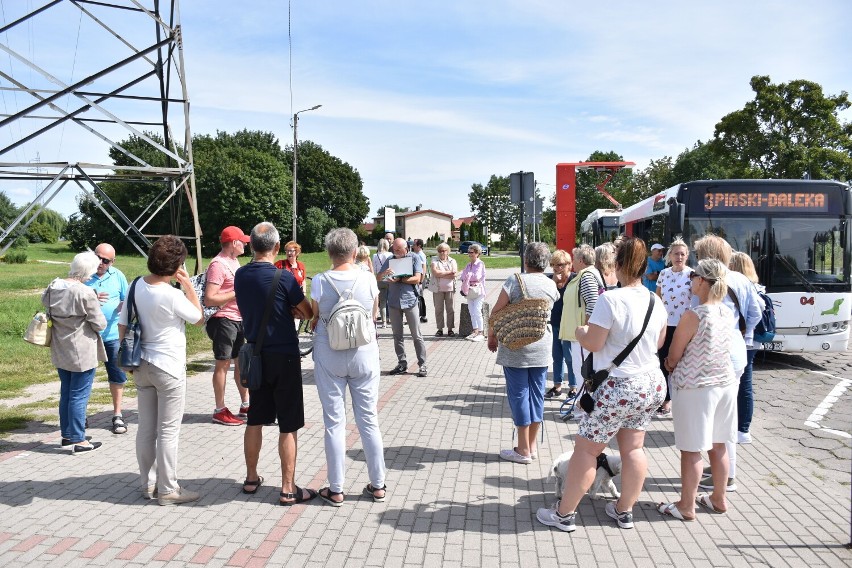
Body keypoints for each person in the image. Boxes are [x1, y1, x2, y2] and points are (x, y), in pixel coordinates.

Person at [538, 237, 667, 532]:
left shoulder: (611, 300)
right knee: (634, 448)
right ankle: (624, 510)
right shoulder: (654, 300)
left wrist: (581, 331)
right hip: (650, 384)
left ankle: (564, 514)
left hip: (618, 387)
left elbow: (594, 343)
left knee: (587, 451)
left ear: (617, 266)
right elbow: (657, 343)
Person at [235, 222, 318, 505]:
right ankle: (287, 488)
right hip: (284, 354)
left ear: (251, 246)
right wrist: (293, 308)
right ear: (277, 247)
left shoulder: (240, 275)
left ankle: (250, 477)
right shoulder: (284, 278)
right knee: (288, 424)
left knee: (255, 418)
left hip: (255, 356)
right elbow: (305, 311)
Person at [119, 235, 204, 505]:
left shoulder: (135, 285)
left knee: (146, 428)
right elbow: (199, 318)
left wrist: (126, 358)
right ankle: (168, 489)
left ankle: (147, 484)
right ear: (177, 265)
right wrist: (189, 286)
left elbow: (122, 323)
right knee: (168, 430)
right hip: (168, 366)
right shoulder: (172, 294)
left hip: (140, 363)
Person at [310, 228, 387, 506]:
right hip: (364, 353)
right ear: (355, 252)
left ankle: (336, 487)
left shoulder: (320, 280)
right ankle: (378, 484)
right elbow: (374, 313)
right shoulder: (368, 279)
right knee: (368, 420)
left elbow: (316, 315)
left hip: (329, 352)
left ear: (329, 253)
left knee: (334, 422)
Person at [659, 258, 737, 520]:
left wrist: (669, 364)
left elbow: (675, 352)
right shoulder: (728, 312)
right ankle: (718, 497)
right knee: (719, 445)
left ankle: (686, 505)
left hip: (695, 387)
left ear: (702, 281)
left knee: (691, 448)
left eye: (694, 277)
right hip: (724, 384)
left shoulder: (694, 315)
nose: (691, 280)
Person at [692, 234, 760, 494]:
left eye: (698, 255)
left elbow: (694, 316)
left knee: (714, 419)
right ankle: (724, 469)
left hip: (713, 354)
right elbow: (755, 313)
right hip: (736, 351)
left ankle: (727, 474)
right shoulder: (742, 279)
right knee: (725, 416)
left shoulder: (705, 280)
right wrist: (743, 335)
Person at [487, 242, 559, 464]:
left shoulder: (514, 281)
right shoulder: (550, 284)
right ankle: (533, 446)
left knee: (519, 395)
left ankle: (522, 450)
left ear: (526, 260)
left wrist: (492, 336)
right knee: (537, 395)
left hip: (515, 345)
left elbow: (497, 312)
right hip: (542, 345)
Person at [44, 251, 107, 454]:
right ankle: (79, 440)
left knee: (66, 393)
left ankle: (67, 435)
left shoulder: (53, 286)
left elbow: (46, 305)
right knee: (79, 396)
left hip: (60, 347)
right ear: (88, 270)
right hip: (81, 350)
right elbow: (100, 324)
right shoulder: (85, 292)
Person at [206, 226, 251, 426]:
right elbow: (210, 298)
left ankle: (246, 404)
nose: (245, 244)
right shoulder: (218, 264)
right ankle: (219, 409)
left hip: (237, 319)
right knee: (223, 364)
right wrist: (239, 292)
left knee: (241, 363)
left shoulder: (234, 261)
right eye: (242, 241)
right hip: (223, 320)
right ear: (233, 243)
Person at [85, 242, 130, 434]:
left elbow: (126, 298)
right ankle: (81, 416)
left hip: (111, 335)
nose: (100, 263)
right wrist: (92, 296)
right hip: (87, 336)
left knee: (117, 376)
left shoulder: (118, 275)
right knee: (84, 376)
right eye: (98, 258)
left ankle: (117, 415)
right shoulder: (84, 274)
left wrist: (122, 305)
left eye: (105, 260)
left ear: (112, 261)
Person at [654, 238, 694, 418]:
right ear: (669, 255)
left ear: (687, 256)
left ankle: (683, 401)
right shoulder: (663, 274)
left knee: (682, 363)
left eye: (682, 254)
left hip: (684, 326)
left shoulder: (692, 275)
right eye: (676, 253)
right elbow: (658, 298)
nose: (679, 257)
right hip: (665, 324)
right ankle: (665, 400)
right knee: (663, 361)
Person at [558, 244, 604, 399]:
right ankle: (580, 405)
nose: (572, 262)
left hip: (582, 337)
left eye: (574, 259)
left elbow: (593, 303)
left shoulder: (586, 276)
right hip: (579, 335)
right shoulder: (584, 275)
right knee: (580, 372)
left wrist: (586, 329)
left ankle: (581, 408)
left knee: (582, 372)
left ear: (582, 260)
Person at [377, 238, 428, 377]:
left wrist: (400, 279)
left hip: (410, 301)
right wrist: (384, 274)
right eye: (394, 249)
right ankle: (402, 363)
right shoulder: (390, 259)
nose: (396, 252)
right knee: (397, 335)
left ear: (406, 248)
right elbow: (378, 277)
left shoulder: (414, 258)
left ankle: (422, 364)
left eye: (399, 249)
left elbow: (418, 279)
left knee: (416, 335)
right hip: (393, 302)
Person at [728, 251, 763, 445]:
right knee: (744, 385)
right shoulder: (755, 286)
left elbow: (756, 314)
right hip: (750, 341)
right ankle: (741, 428)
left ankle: (742, 429)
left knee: (744, 385)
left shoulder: (744, 285)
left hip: (745, 341)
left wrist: (744, 332)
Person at [544, 249, 578, 399]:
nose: (557, 268)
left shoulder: (574, 280)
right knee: (556, 356)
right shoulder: (550, 280)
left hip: (570, 324)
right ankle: (557, 386)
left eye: (561, 265)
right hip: (555, 323)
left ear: (569, 265)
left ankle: (573, 387)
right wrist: (553, 283)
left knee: (570, 357)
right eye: (554, 265)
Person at [459, 243, 487, 341]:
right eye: (468, 252)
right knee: (471, 311)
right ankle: (475, 331)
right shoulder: (468, 265)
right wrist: (468, 276)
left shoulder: (480, 264)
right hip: (469, 291)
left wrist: (468, 276)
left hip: (478, 291)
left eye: (471, 252)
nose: (469, 254)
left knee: (477, 311)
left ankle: (481, 332)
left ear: (477, 253)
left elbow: (477, 277)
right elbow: (462, 276)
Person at [431, 243, 458, 337]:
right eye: (440, 250)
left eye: (444, 250)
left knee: (450, 309)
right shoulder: (434, 260)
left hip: (450, 289)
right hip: (438, 289)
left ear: (448, 251)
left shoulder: (452, 261)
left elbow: (454, 275)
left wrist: (442, 273)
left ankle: (450, 329)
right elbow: (435, 273)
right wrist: (449, 273)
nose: (442, 252)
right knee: (439, 309)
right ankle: (440, 329)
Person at [372, 239, 393, 327]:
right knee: (391, 300)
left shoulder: (375, 255)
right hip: (389, 279)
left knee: (383, 301)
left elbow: (374, 269)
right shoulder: (390, 255)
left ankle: (384, 322)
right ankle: (391, 319)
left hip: (380, 279)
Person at [412, 238, 428, 323]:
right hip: (418, 279)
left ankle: (421, 316)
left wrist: (421, 281)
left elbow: (423, 268)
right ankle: (421, 316)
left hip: (420, 279)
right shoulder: (416, 254)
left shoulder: (420, 255)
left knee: (419, 298)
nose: (412, 246)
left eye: (414, 244)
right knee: (419, 297)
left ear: (419, 246)